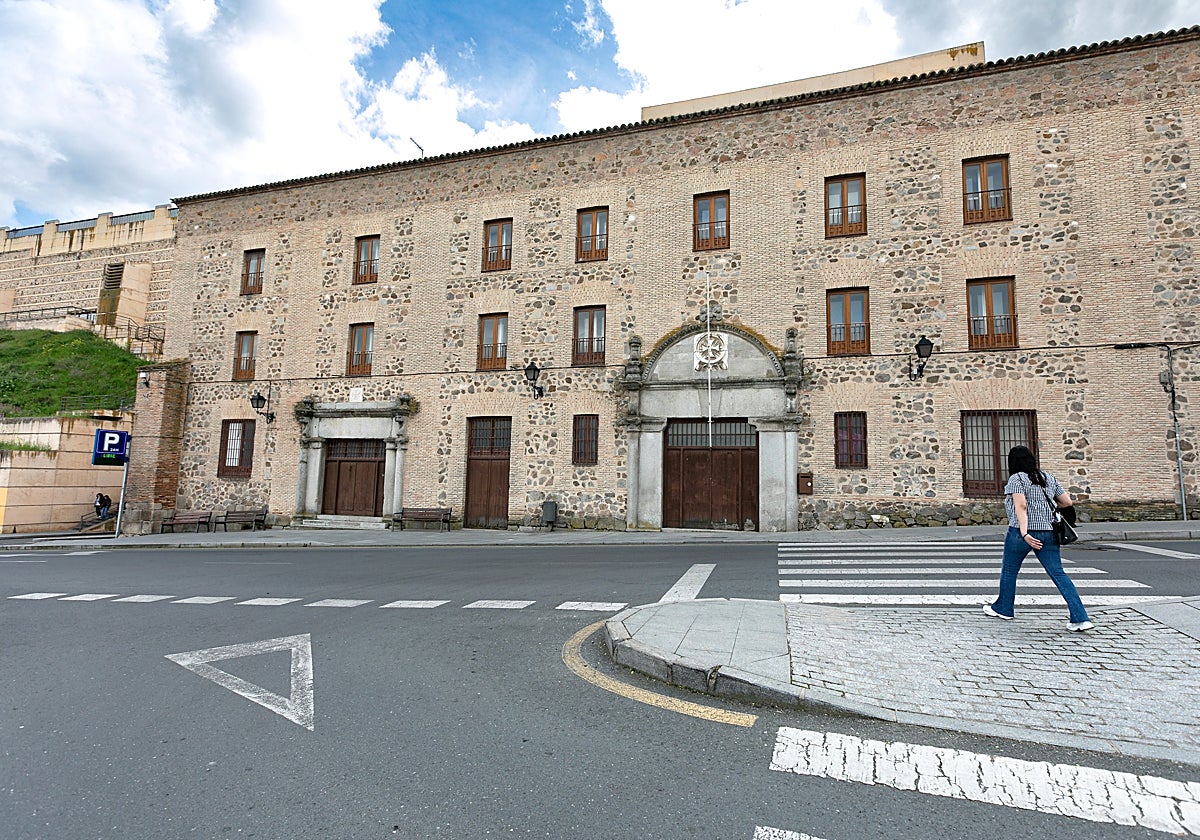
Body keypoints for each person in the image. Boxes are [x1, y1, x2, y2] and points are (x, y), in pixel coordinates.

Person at [983, 445, 1094, 631]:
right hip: (1050, 531)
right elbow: (1067, 502)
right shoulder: (1048, 477)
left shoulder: (1016, 479)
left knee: (1010, 571)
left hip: (1021, 533)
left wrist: (1025, 533)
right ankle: (1080, 618)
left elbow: (1021, 507)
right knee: (1058, 573)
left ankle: (1004, 608)